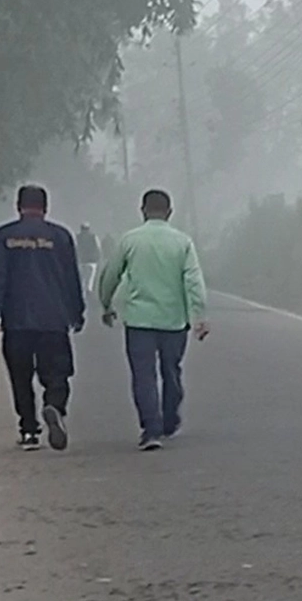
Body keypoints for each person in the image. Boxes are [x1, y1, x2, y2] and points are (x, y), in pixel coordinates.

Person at [98, 189, 209, 451]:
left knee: (143, 375)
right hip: (174, 320)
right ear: (169, 212)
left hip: (139, 321)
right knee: (171, 370)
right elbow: (194, 281)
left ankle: (151, 430)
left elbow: (110, 275)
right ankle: (170, 419)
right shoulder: (182, 242)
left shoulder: (130, 240)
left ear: (142, 211)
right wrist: (199, 316)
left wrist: (106, 304)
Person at [0, 185, 84, 452]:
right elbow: (72, 278)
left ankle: (29, 430)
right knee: (58, 372)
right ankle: (54, 406)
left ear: (18, 206)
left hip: (17, 321)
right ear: (45, 207)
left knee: (20, 375)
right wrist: (77, 312)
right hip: (53, 319)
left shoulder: (5, 236)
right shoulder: (60, 237)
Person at [76, 223, 102, 293]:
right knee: (90, 278)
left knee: (82, 277)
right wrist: (98, 258)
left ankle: (83, 290)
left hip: (81, 260)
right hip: (91, 261)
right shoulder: (93, 237)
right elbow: (98, 248)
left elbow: (75, 248)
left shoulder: (77, 237)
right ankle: (89, 290)